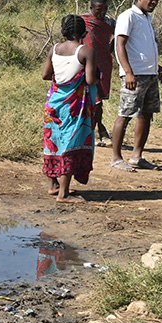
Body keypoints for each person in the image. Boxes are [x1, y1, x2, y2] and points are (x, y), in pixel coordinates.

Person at [43, 14, 99, 203]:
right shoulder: (86, 51)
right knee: (71, 143)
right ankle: (63, 194)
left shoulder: (54, 49)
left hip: (54, 103)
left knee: (53, 140)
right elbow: (90, 80)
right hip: (74, 106)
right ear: (84, 32)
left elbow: (45, 75)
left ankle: (53, 185)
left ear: (64, 31)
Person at [111, 0, 162, 171]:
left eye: (156, 0)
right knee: (125, 115)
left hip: (150, 74)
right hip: (134, 75)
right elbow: (119, 45)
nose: (154, 2)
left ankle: (136, 156)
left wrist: (158, 68)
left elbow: (142, 47)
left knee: (146, 115)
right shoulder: (128, 16)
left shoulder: (146, 18)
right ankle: (116, 158)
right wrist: (128, 72)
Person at [82, 0, 115, 144]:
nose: (102, 12)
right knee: (86, 99)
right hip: (83, 65)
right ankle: (94, 130)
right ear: (91, 8)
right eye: (99, 9)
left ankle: (98, 129)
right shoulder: (83, 21)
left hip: (102, 65)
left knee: (98, 100)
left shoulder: (109, 23)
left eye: (105, 9)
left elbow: (115, 42)